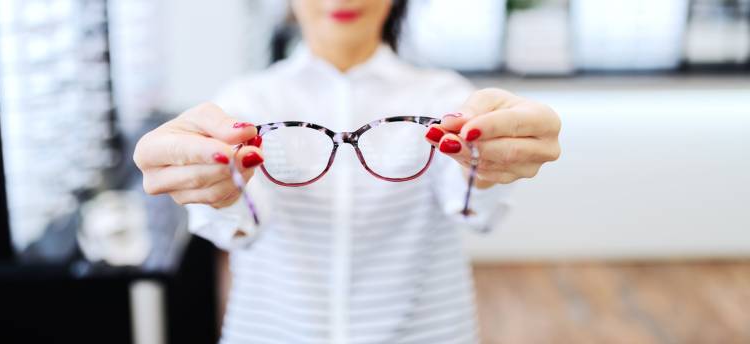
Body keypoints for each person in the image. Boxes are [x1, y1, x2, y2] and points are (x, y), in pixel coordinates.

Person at [133, 0, 561, 342]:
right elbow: (241, 227)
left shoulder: (445, 97)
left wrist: (486, 167)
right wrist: (219, 189)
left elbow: (474, 211)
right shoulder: (247, 102)